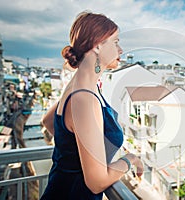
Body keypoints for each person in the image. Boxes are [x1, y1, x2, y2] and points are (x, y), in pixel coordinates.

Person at [41, 11, 143, 200]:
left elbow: (48, 121)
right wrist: (131, 159)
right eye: (115, 42)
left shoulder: (78, 85)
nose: (121, 50)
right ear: (97, 45)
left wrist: (80, 149)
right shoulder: (85, 98)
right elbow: (96, 183)